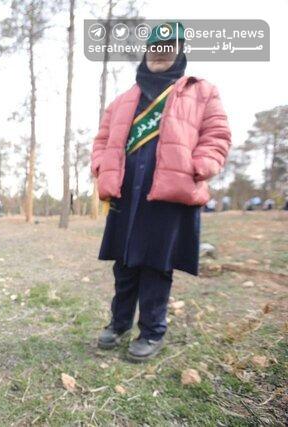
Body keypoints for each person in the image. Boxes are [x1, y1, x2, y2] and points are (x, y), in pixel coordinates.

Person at [92, 22, 231, 361]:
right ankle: (119, 323)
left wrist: (199, 167)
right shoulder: (124, 100)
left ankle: (152, 331)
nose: (161, 52)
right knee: (124, 266)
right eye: (155, 46)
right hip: (127, 195)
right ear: (147, 50)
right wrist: (101, 169)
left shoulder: (202, 91)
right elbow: (101, 141)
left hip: (169, 196)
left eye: (169, 46)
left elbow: (218, 137)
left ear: (180, 50)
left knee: (157, 266)